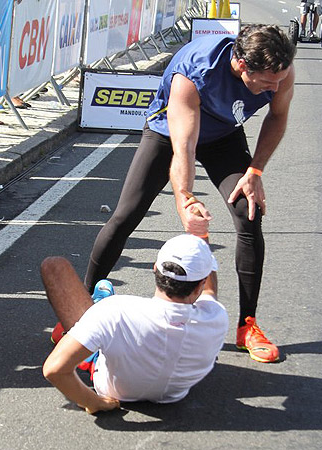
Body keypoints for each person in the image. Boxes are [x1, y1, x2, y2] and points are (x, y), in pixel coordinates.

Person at [84, 24, 295, 363]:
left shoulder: (280, 69)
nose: (276, 87)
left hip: (223, 135)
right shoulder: (195, 72)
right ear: (242, 66)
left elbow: (278, 116)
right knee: (127, 214)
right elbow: (184, 146)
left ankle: (247, 325)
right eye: (268, 83)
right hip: (169, 132)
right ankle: (80, 309)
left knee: (249, 213)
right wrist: (184, 196)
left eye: (280, 80)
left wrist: (255, 171)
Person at [43, 234, 227, 413]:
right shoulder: (216, 316)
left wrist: (94, 402)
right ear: (200, 284)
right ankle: (90, 317)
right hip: (173, 394)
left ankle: (85, 328)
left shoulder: (115, 310)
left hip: (113, 389)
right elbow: (209, 292)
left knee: (55, 266)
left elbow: (54, 370)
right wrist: (200, 233)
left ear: (155, 268)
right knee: (103, 306)